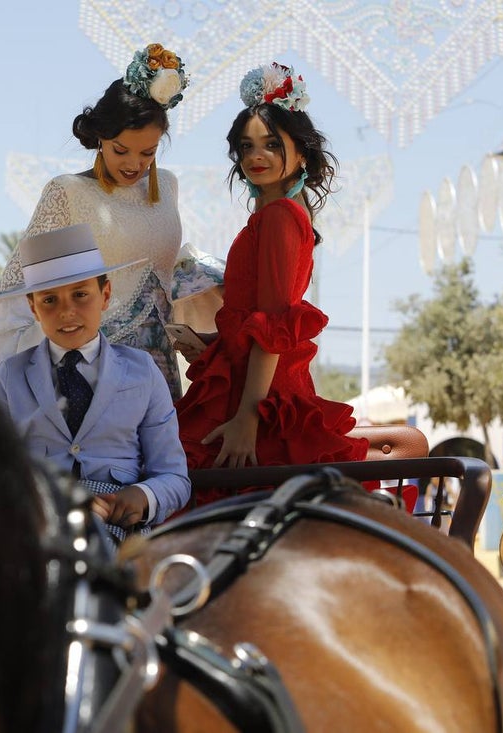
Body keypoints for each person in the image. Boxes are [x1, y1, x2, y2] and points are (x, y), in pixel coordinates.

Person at [0, 43, 223, 400]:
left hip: (159, 370)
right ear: (101, 139)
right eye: (121, 150)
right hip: (95, 371)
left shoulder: (167, 186)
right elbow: (20, 290)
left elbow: (161, 270)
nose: (134, 164)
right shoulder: (70, 193)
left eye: (147, 153)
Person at [174, 62, 367, 507]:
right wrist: (212, 343)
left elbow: (275, 324)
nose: (255, 156)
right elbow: (258, 321)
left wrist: (249, 418)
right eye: (247, 146)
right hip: (252, 384)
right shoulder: (278, 213)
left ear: (301, 154)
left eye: (272, 144)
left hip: (259, 399)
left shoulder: (280, 216)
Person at [0, 223, 190, 540]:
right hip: (41, 529)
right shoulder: (10, 376)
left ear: (105, 295)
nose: (67, 312)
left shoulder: (142, 372)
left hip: (119, 530)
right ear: (33, 307)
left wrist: (143, 496)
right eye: (49, 300)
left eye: (80, 295)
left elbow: (174, 476)